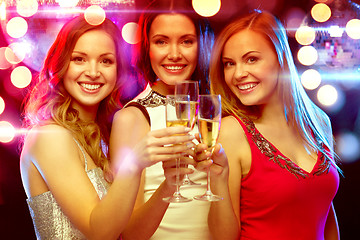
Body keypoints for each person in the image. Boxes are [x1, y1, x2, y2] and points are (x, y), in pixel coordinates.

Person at [19, 15, 194, 239]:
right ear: (61, 64)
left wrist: (169, 186)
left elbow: (128, 234)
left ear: (117, 72)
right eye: (79, 59)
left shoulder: (100, 136)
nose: (93, 72)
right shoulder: (49, 136)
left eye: (106, 61)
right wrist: (134, 163)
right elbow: (99, 231)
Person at [196, 10, 341, 240]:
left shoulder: (319, 122)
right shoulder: (231, 132)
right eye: (229, 64)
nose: (239, 74)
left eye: (251, 59)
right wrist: (217, 179)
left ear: (281, 56)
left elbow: (325, 216)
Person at [109, 0, 214, 239]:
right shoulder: (133, 118)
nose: (174, 54)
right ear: (147, 47)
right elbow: (129, 233)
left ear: (202, 45)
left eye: (187, 41)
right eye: (161, 41)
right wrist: (170, 184)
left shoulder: (215, 111)